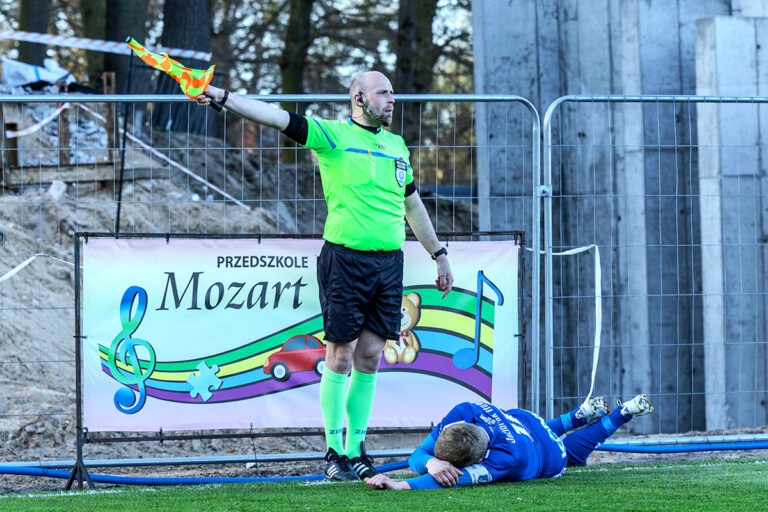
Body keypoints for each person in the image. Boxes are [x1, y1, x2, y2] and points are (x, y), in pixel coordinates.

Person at [195, 72, 454, 481]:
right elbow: (274, 116)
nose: (392, 99)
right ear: (359, 98)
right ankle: (334, 450)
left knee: (370, 357)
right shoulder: (332, 135)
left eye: (392, 92)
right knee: (341, 355)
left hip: (389, 265)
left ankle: (356, 449)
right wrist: (221, 96)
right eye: (383, 93)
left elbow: (413, 206)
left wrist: (439, 254)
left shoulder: (396, 145)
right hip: (344, 261)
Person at [364, 394, 654, 490]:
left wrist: (401, 485)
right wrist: (431, 461)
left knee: (571, 455)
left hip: (549, 454)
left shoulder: (503, 460)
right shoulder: (464, 411)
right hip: (526, 420)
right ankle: (579, 415)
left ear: (479, 460)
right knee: (539, 429)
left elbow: (447, 480)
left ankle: (622, 413)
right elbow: (422, 455)